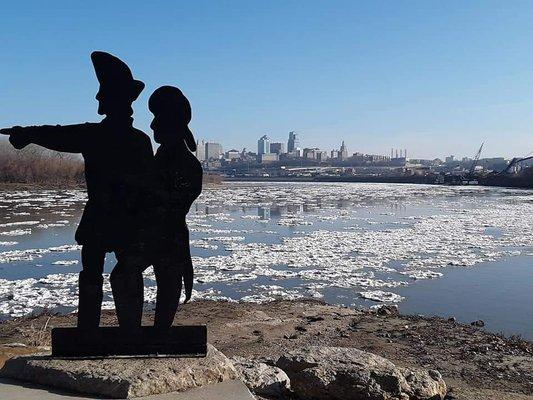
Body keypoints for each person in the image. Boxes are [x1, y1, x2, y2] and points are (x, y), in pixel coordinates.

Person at [0, 51, 153, 329]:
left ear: (111, 99)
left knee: (94, 272)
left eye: (102, 92)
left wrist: (28, 133)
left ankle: (89, 332)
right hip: (128, 222)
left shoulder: (96, 135)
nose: (97, 98)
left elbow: (57, 134)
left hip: (101, 219)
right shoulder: (140, 141)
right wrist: (29, 133)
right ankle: (130, 331)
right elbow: (58, 133)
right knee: (123, 273)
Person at [147, 86, 203, 328]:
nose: (151, 126)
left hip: (167, 238)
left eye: (157, 119)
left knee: (169, 283)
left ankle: (159, 334)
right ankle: (137, 333)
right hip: (154, 235)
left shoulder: (187, 165)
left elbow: (172, 205)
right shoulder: (156, 159)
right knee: (123, 275)